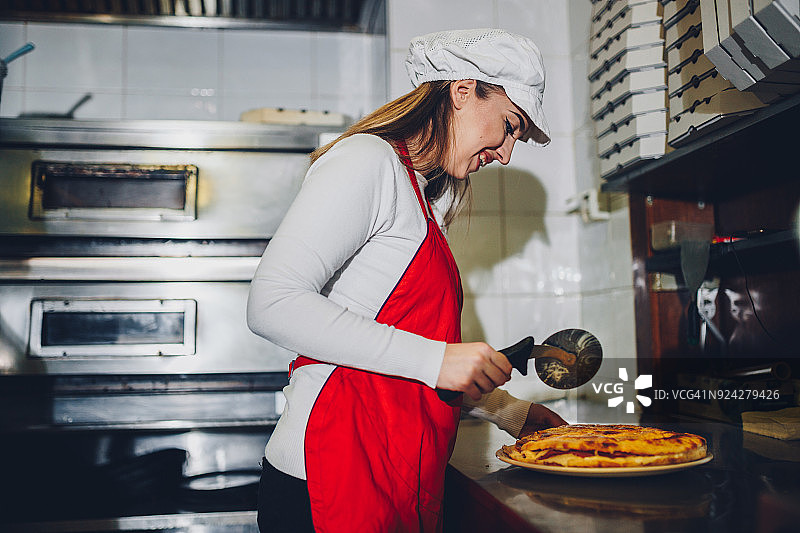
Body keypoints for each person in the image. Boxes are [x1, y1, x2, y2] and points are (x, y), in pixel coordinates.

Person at [246, 28, 567, 533]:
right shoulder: (368, 160)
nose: (507, 153)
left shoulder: (421, 198)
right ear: (463, 91)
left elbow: (407, 351)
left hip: (389, 471)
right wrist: (438, 359)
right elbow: (272, 302)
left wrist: (508, 411)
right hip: (329, 477)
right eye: (508, 126)